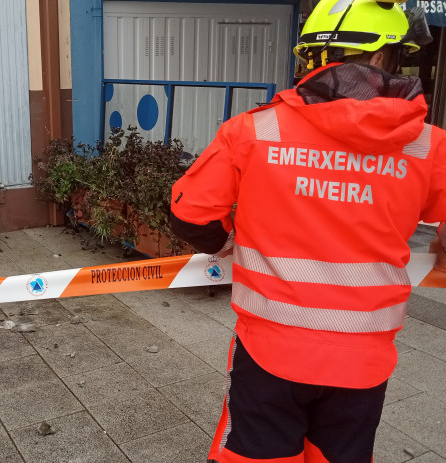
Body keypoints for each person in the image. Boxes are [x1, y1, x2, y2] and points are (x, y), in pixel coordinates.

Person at [169, 0, 445, 461]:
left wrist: (223, 244)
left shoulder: (255, 130)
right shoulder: (428, 146)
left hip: (268, 354)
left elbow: (189, 214)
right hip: (363, 362)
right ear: (380, 58)